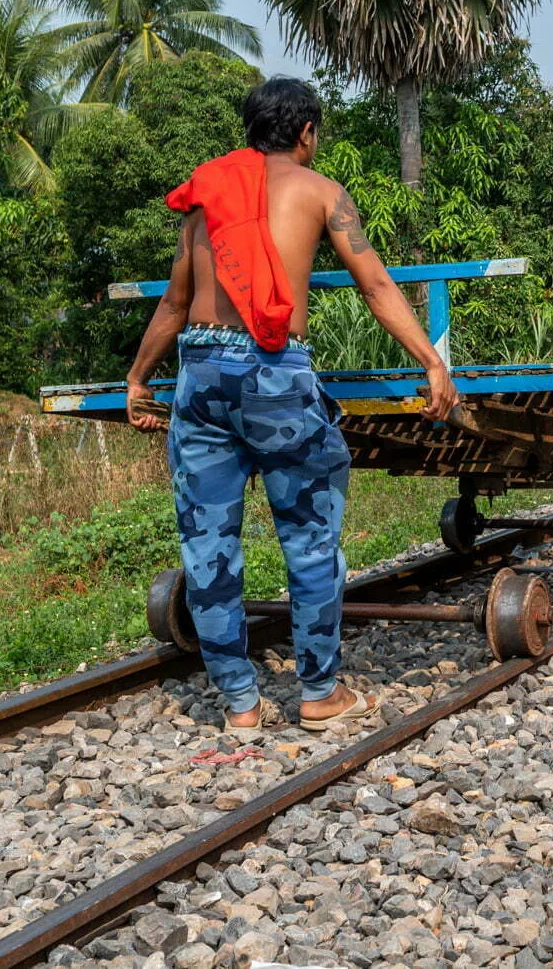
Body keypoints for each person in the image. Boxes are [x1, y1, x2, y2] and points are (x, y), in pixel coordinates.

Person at [125, 78, 460, 734]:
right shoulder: (322, 193)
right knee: (309, 542)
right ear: (306, 132)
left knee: (208, 545)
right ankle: (317, 692)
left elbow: (171, 303)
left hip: (199, 374)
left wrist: (138, 376)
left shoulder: (206, 200)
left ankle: (241, 705)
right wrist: (430, 360)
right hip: (272, 372)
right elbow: (375, 284)